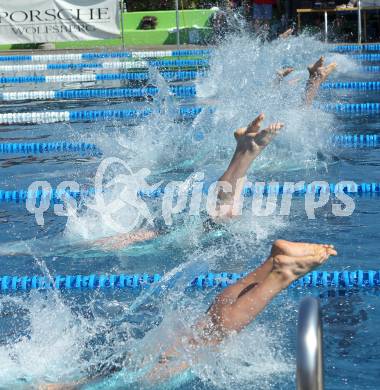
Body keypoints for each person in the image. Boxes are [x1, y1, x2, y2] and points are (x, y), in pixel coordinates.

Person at [39, 57, 338, 389]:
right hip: (102, 358)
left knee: (202, 336)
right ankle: (271, 258)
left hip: (153, 255)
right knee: (204, 317)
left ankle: (274, 268)